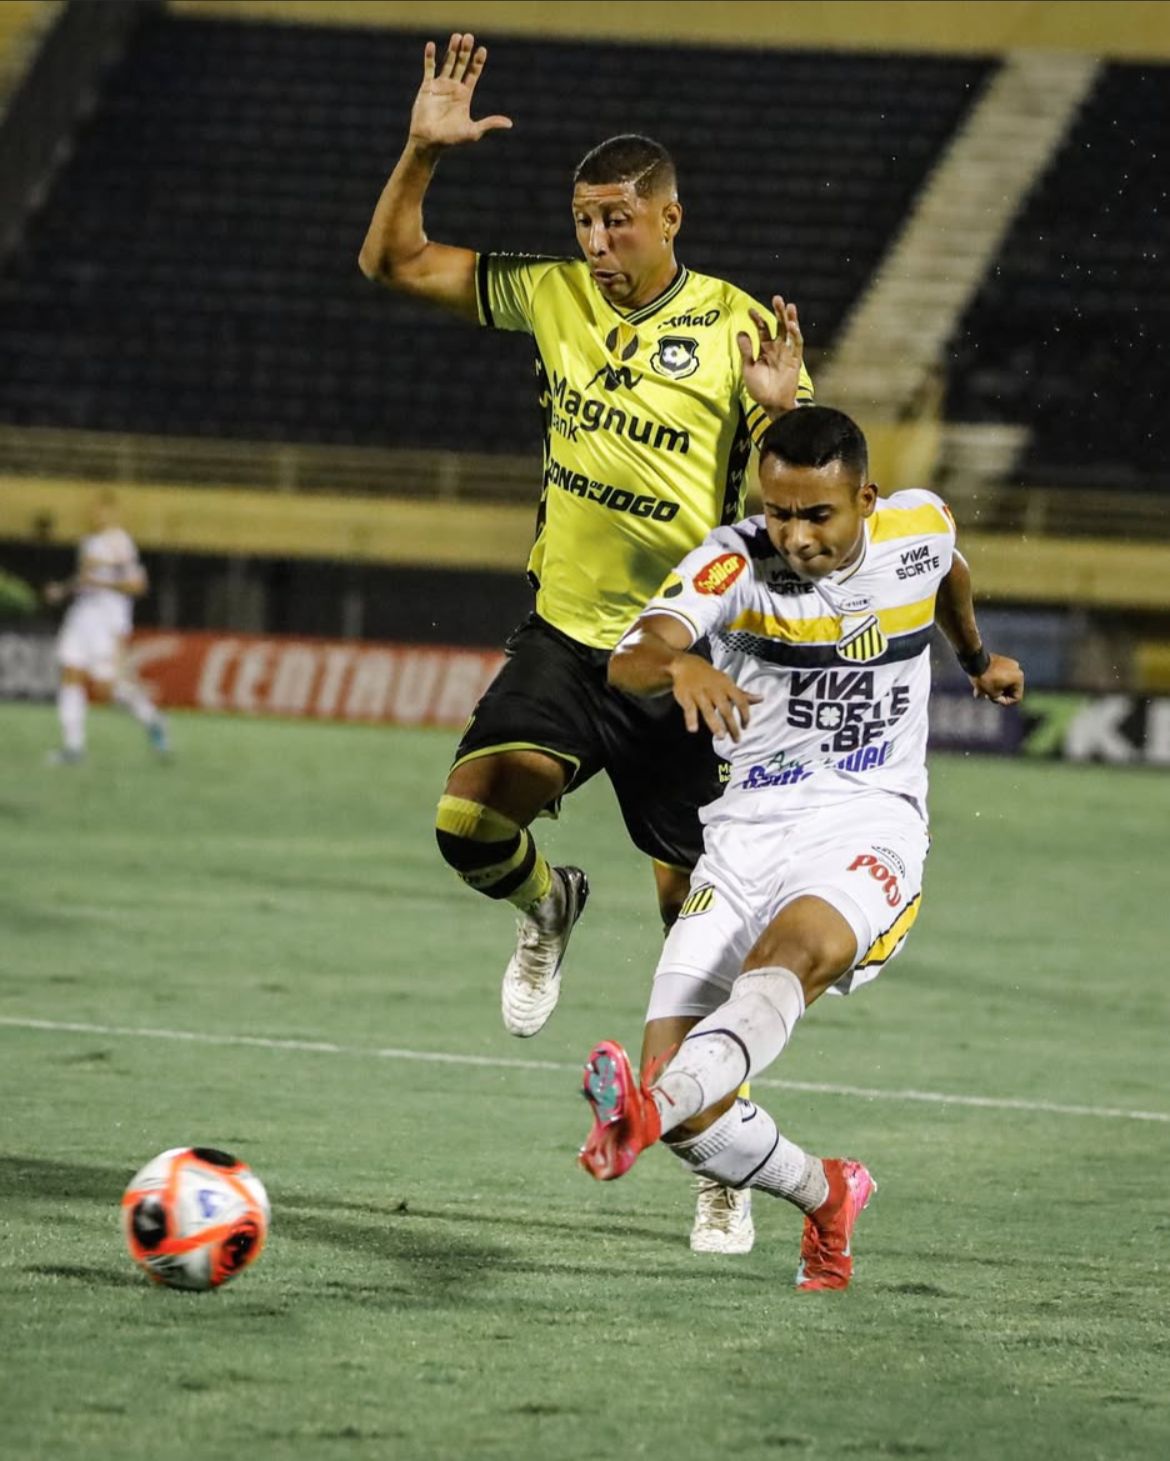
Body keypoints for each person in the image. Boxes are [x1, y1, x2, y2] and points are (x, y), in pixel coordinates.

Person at [359, 34, 814, 1254]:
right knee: (467, 827)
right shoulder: (550, 290)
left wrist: (792, 411)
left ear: (672, 216)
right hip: (566, 637)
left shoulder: (731, 328)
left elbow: (809, 506)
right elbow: (392, 261)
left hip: (683, 662)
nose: (597, 245)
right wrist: (418, 150)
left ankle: (718, 1156)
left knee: (698, 947)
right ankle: (548, 904)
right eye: (582, 222)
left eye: (618, 222)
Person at [577, 405, 1024, 1290]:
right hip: (745, 832)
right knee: (692, 1114)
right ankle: (826, 1192)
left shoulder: (918, 527)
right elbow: (632, 654)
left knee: (789, 957)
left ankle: (640, 1109)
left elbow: (950, 575)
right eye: (778, 510)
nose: (794, 533)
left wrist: (975, 657)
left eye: (816, 514)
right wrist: (681, 665)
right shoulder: (734, 559)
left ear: (864, 498)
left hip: (869, 818)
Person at [46, 491, 169, 765]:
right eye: (93, 510)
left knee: (106, 689)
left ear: (113, 513)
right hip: (81, 616)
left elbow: (137, 586)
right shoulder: (90, 542)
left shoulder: (120, 544)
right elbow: (86, 579)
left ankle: (152, 718)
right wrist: (63, 591)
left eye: (101, 510)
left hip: (106, 621)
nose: (95, 515)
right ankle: (73, 746)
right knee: (70, 673)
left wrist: (101, 584)